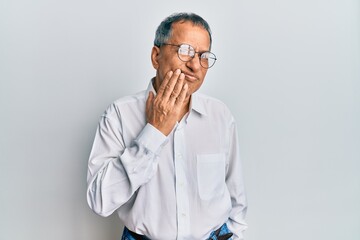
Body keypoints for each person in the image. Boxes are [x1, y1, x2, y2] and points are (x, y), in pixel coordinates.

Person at [86, 12, 247, 240]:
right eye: (185, 51)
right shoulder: (119, 115)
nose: (194, 65)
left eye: (203, 56)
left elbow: (236, 198)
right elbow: (99, 201)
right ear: (156, 56)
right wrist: (153, 132)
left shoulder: (220, 115)